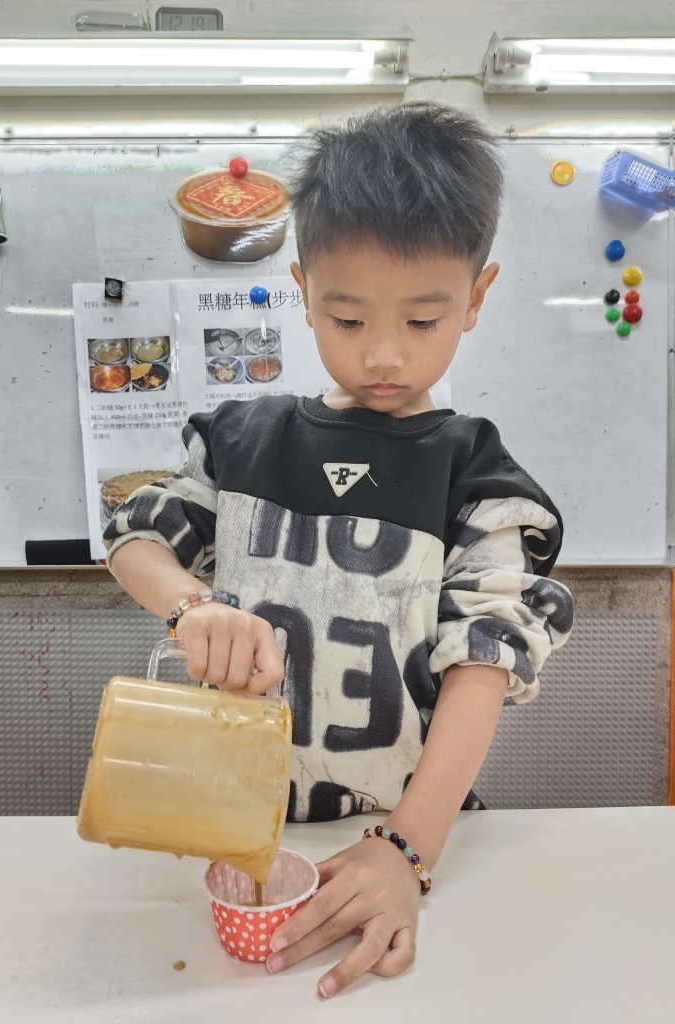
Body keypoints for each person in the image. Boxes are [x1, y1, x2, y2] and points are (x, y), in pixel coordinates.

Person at [104, 103, 573, 998]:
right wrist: (190, 605)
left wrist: (407, 848)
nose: (384, 356)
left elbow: (484, 664)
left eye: (424, 321)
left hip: (401, 837)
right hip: (234, 831)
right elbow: (135, 538)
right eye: (348, 320)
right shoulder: (244, 440)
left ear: (476, 297)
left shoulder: (473, 474)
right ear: (303, 288)